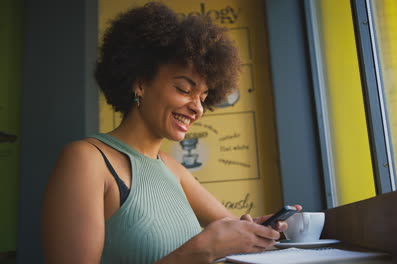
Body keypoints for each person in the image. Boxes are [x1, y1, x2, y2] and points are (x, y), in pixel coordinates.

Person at [41, 2, 301, 264]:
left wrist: (255, 229)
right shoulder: (87, 160)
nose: (197, 108)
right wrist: (199, 251)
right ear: (140, 83)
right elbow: (205, 247)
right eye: (184, 90)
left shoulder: (171, 168)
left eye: (203, 97)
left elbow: (230, 227)